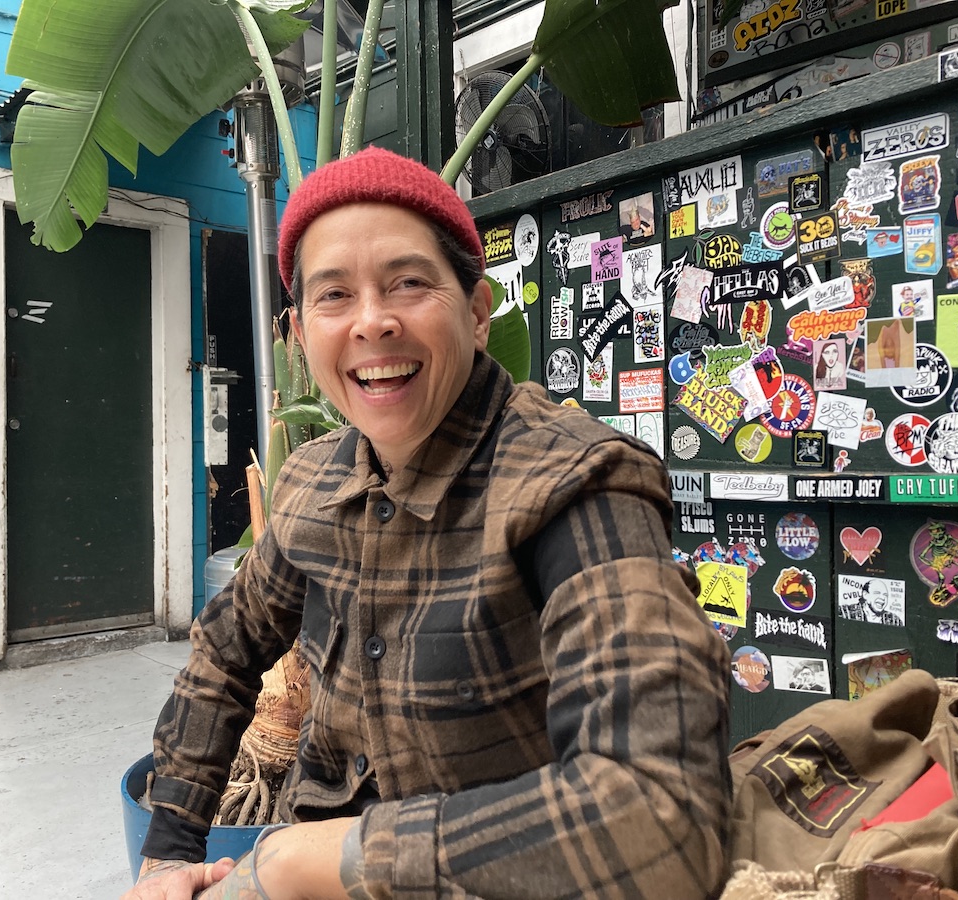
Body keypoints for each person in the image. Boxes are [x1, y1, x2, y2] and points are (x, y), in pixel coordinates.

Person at [126, 147, 732, 900]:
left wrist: (305, 863)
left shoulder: (575, 484)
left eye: (408, 284)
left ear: (476, 314)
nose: (372, 322)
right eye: (334, 295)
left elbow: (663, 817)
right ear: (300, 334)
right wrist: (168, 853)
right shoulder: (313, 481)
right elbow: (226, 650)